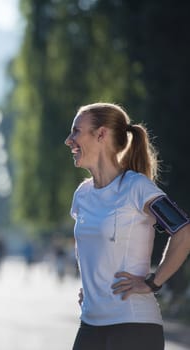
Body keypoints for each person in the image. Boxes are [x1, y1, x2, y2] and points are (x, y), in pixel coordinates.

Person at [64, 102, 190, 350]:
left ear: (101, 134)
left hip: (134, 326)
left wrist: (153, 282)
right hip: (90, 324)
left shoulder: (136, 187)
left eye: (76, 131)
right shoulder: (82, 195)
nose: (69, 140)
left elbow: (183, 231)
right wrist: (92, 289)